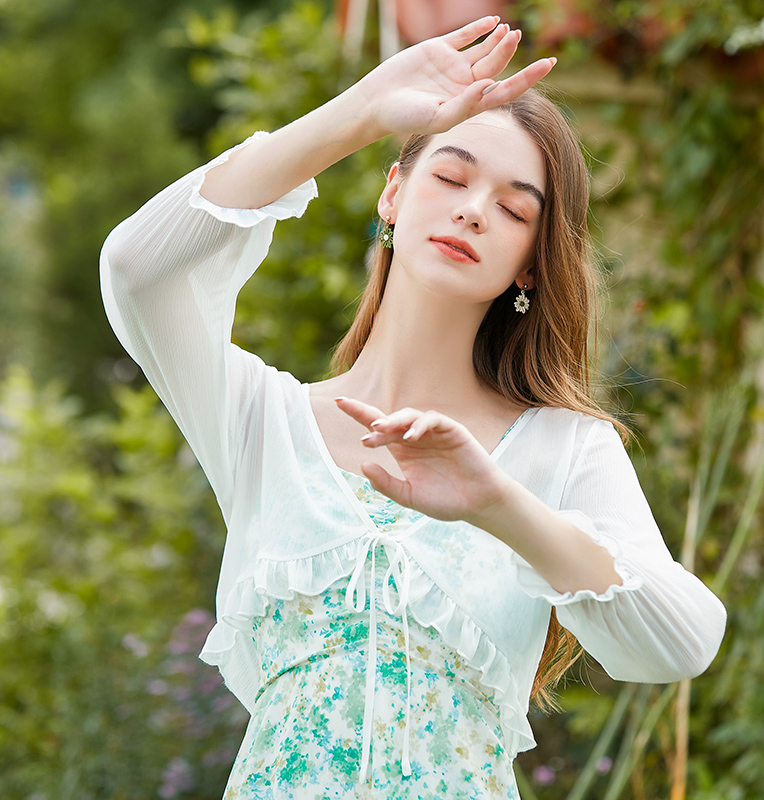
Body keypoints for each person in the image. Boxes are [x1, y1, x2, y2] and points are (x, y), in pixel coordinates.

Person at [100, 16, 726, 800]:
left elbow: (680, 644)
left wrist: (495, 503)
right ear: (393, 193)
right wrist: (360, 112)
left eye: (514, 208)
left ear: (530, 263)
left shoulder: (565, 451)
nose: (473, 211)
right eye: (452, 177)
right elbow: (137, 268)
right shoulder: (263, 422)